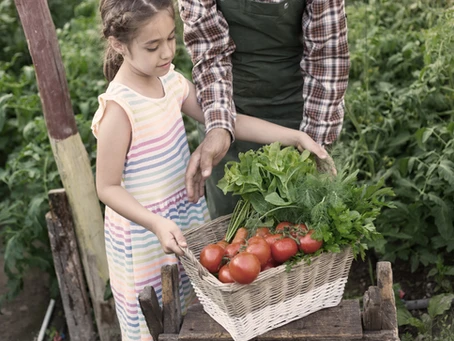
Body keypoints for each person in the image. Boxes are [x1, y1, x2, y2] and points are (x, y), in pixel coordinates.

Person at [92, 0, 333, 339]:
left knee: (194, 316)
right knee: (156, 324)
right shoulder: (119, 108)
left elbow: (224, 121)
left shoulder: (170, 82)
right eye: (153, 46)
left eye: (171, 39)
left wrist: (294, 136)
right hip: (144, 236)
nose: (166, 53)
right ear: (119, 44)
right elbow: (107, 187)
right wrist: (155, 223)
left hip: (181, 221)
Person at [178, 0, 350, 218]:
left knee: (300, 217)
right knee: (230, 226)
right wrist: (220, 126)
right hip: (227, 106)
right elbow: (210, 54)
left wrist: (314, 145)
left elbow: (327, 57)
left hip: (297, 106)